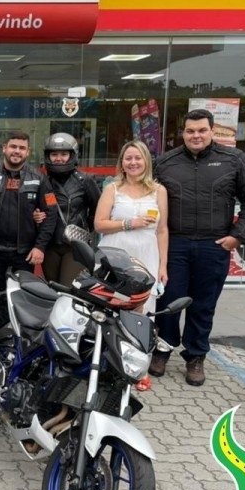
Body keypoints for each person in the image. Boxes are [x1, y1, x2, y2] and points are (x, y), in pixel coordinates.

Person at [151, 109, 245, 386]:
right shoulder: (165, 163)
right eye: (190, 131)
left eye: (202, 130)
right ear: (183, 133)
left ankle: (195, 356)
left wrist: (237, 236)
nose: (196, 136)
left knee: (203, 304)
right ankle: (162, 349)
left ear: (212, 131)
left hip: (214, 245)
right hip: (175, 244)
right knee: (168, 300)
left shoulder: (234, 160)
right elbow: (145, 196)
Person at [94, 140, 169, 391]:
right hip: (116, 256)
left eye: (138, 158)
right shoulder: (112, 189)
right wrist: (129, 223)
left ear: (146, 161)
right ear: (122, 162)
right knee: (110, 309)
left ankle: (138, 370)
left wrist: (163, 265)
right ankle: (106, 365)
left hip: (146, 256)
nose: (133, 162)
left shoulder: (159, 191)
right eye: (128, 158)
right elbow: (99, 224)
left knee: (141, 313)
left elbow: (162, 230)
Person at [0, 130, 58, 333]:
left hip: (24, 252)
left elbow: (51, 212)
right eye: (13, 146)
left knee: (23, 298)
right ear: (4, 148)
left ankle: (21, 338)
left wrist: (40, 246)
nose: (17, 151)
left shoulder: (39, 178)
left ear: (28, 152)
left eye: (22, 148)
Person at [36, 132, 102, 286]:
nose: (58, 158)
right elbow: (35, 207)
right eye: (54, 154)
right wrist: (36, 216)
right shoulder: (43, 181)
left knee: (67, 288)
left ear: (72, 156)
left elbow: (97, 209)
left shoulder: (85, 181)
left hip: (75, 245)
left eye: (64, 154)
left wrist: (84, 227)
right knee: (52, 288)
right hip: (50, 244)